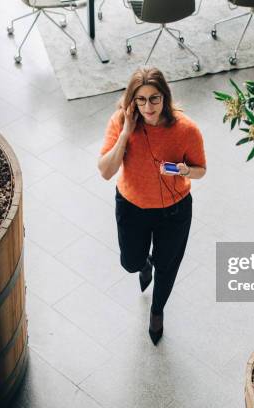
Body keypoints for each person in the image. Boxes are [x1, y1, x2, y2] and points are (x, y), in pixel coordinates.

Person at [97, 67, 207, 345]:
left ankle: (157, 311)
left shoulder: (186, 129)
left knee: (168, 266)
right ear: (131, 101)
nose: (148, 107)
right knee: (130, 262)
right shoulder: (120, 121)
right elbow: (106, 171)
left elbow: (201, 170)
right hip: (131, 207)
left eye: (154, 98)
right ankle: (145, 263)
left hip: (175, 211)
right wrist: (125, 133)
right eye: (141, 99)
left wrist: (183, 170)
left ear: (165, 97)